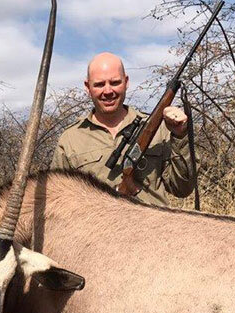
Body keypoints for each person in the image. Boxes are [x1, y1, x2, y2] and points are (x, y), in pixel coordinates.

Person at [50, 52, 195, 206]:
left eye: (115, 83)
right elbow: (57, 201)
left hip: (155, 228)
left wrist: (180, 136)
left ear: (126, 82)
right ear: (87, 87)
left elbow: (182, 190)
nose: (107, 91)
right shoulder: (70, 139)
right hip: (97, 228)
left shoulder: (160, 128)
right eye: (99, 84)